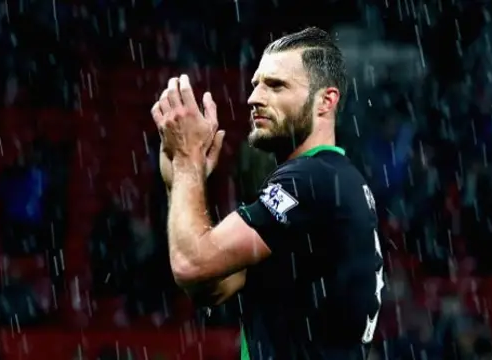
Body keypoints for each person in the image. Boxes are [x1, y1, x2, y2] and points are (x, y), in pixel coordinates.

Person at [151, 27, 384, 359]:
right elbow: (211, 288)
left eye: (276, 86)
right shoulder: (333, 181)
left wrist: (188, 162)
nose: (254, 98)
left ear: (325, 101)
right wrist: (180, 182)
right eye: (255, 85)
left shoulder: (310, 179)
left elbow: (192, 263)